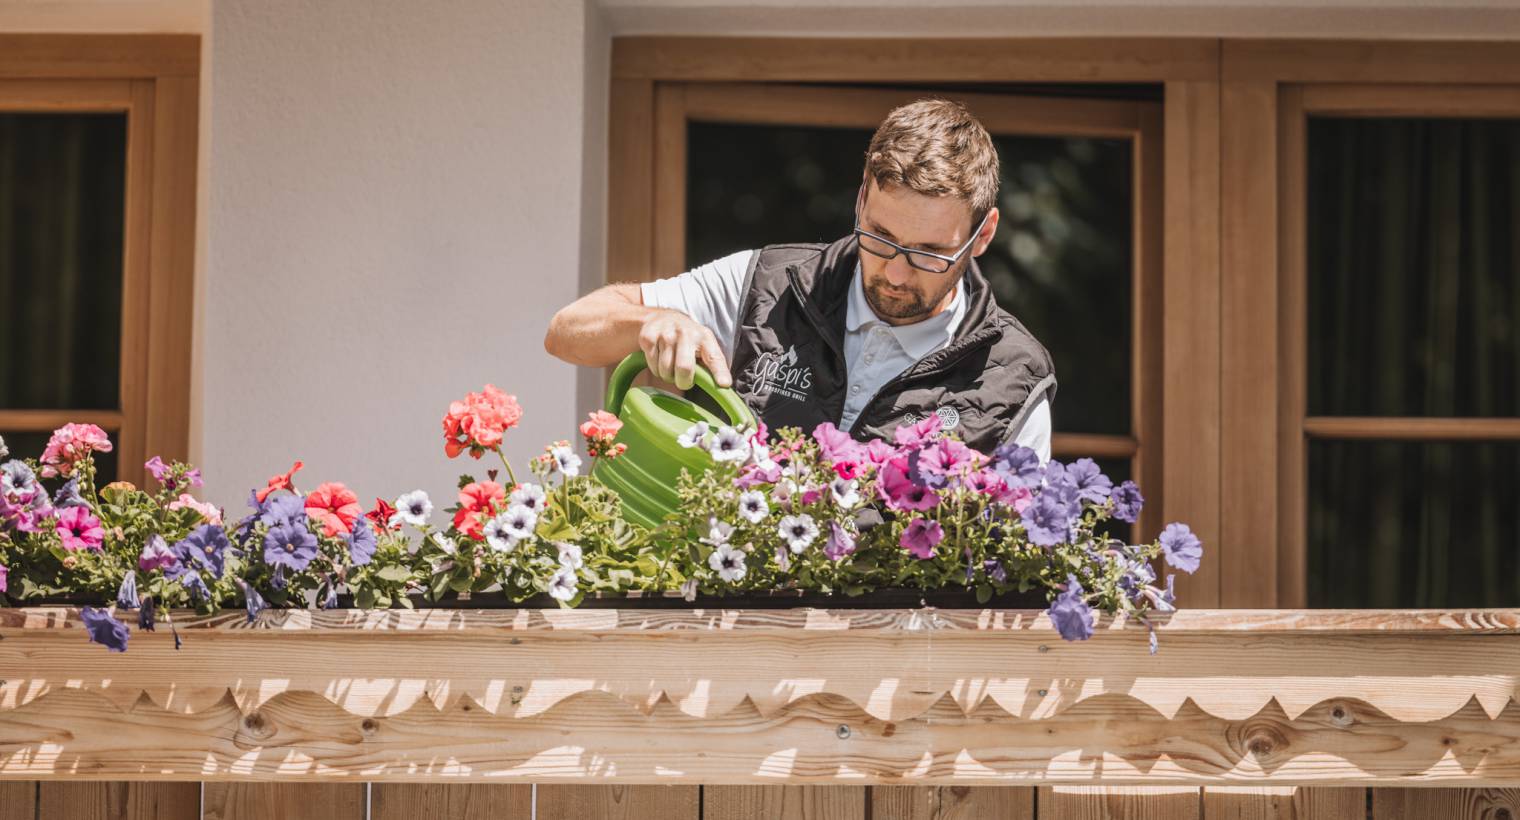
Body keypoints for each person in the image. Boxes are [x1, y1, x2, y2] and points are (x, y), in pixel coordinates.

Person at [545, 98, 1055, 460]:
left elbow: (1017, 574)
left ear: (983, 235)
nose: (896, 273)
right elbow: (567, 332)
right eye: (879, 237)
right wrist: (651, 321)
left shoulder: (1015, 375)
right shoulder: (766, 282)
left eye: (929, 253)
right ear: (860, 202)